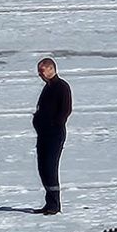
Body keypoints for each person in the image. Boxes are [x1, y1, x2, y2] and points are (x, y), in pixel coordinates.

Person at [32, 58, 72, 214]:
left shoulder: (62, 87)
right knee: (42, 167)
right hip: (43, 133)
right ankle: (49, 203)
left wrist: (55, 123)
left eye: (41, 71)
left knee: (50, 167)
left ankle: (55, 205)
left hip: (54, 134)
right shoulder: (48, 88)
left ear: (50, 69)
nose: (39, 74)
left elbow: (66, 110)